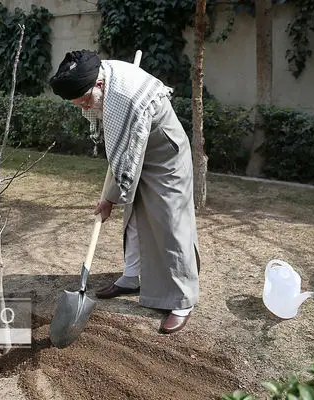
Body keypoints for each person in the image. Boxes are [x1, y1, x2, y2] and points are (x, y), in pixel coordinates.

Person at [49, 50, 200, 334]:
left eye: (83, 101)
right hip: (140, 150)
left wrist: (108, 198)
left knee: (171, 226)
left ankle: (182, 300)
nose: (82, 108)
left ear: (99, 85)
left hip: (165, 158)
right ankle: (132, 277)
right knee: (132, 218)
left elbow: (126, 159)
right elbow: (122, 157)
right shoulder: (102, 80)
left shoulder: (126, 100)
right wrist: (113, 198)